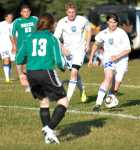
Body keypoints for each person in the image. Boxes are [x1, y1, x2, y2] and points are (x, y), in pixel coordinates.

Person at [15, 13, 69, 144]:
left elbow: (18, 59)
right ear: (50, 25)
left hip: (31, 73)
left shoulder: (28, 37)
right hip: (46, 72)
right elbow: (59, 60)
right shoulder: (52, 38)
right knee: (64, 101)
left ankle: (48, 137)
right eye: (54, 23)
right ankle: (49, 129)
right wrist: (64, 66)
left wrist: (22, 73)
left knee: (44, 101)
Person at [88, 14, 131, 111]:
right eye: (110, 22)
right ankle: (98, 104)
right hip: (108, 59)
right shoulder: (103, 33)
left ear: (117, 23)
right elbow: (95, 45)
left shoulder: (122, 33)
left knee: (117, 82)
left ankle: (110, 98)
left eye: (114, 22)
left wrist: (117, 56)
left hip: (122, 60)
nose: (112, 24)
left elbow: (128, 50)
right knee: (108, 77)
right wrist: (91, 58)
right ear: (107, 22)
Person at [54, 2, 91, 103]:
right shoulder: (62, 22)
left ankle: (67, 99)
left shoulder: (82, 20)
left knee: (74, 72)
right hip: (68, 52)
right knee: (75, 74)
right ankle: (82, 90)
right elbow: (56, 38)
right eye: (69, 12)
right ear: (66, 12)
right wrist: (62, 48)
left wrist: (87, 44)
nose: (71, 14)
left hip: (80, 50)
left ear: (76, 12)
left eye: (73, 12)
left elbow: (89, 30)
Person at [11, 4, 38, 92]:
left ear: (30, 12)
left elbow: (41, 28)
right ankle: (27, 84)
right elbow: (12, 34)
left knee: (30, 66)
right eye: (24, 12)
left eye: (28, 11)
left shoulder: (35, 19)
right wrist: (14, 45)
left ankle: (31, 83)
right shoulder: (17, 21)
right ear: (21, 13)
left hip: (33, 46)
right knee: (20, 66)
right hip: (21, 47)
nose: (26, 13)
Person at [0, 11, 14, 83]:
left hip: (12, 46)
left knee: (10, 61)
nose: (10, 19)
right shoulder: (1, 24)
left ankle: (9, 76)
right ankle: (7, 79)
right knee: (6, 60)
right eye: (8, 17)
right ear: (5, 17)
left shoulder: (14, 25)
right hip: (3, 46)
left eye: (11, 17)